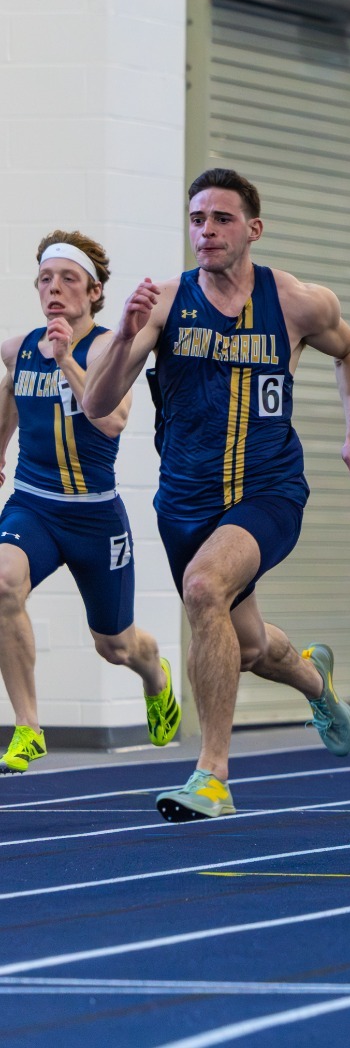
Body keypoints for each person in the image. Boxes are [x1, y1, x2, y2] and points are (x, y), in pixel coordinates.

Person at [84, 169, 350, 822]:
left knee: (202, 588)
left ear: (252, 229)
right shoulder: (162, 304)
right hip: (185, 501)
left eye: (221, 218)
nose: (206, 231)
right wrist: (127, 336)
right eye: (197, 219)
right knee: (244, 647)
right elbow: (98, 406)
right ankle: (313, 678)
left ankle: (211, 775)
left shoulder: (295, 301)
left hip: (269, 491)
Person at [0, 232, 179, 772]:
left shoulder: (108, 347)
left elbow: (112, 420)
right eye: (45, 280)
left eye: (68, 280)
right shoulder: (18, 347)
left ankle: (157, 678)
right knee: (3, 583)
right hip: (33, 505)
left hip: (94, 515)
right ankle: (28, 728)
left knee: (115, 645)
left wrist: (65, 362)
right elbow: (10, 389)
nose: (54, 290)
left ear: (94, 291)